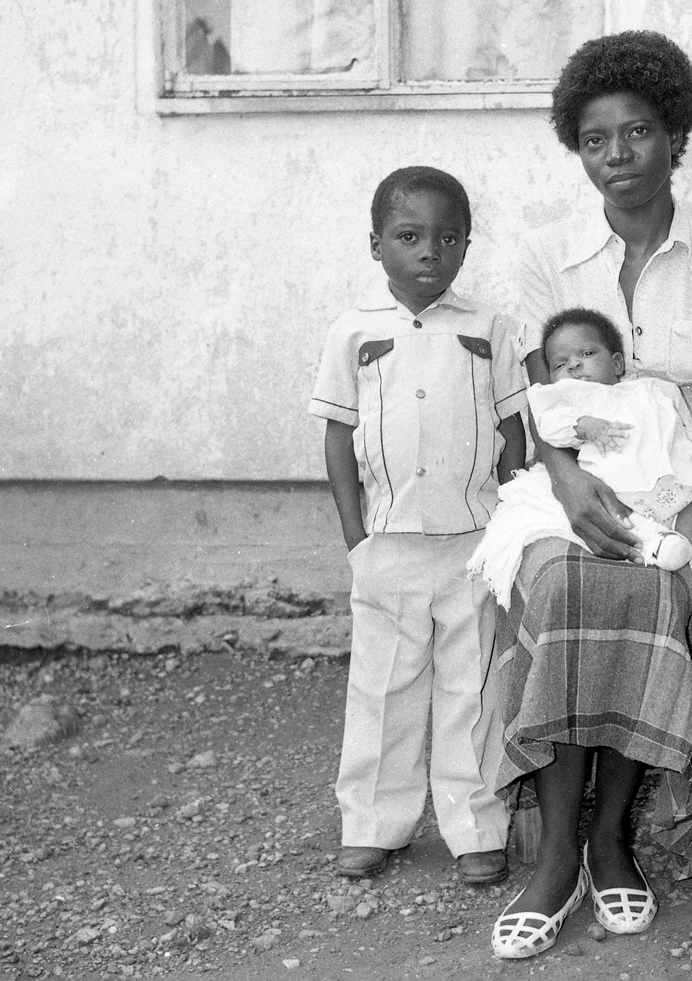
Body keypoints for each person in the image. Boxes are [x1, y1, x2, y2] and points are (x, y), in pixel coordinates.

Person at [488, 30, 692, 959]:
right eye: (596, 139)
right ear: (578, 149)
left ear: (675, 135)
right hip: (566, 491)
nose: (617, 154)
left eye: (638, 131)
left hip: (674, 495)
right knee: (570, 588)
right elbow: (543, 411)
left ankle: (611, 839)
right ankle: (556, 852)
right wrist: (570, 489)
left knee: (652, 595)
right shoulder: (546, 257)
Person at [307, 165, 529, 887]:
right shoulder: (354, 331)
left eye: (447, 236)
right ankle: (372, 824)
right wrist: (357, 538)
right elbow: (337, 437)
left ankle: (476, 827)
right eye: (409, 236)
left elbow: (513, 429)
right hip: (388, 540)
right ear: (377, 245)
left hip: (474, 541)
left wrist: (511, 521)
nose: (429, 250)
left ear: (466, 245)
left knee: (473, 688)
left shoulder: (489, 328)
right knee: (383, 688)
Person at [467, 306, 692, 636]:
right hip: (621, 493)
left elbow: (684, 430)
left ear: (617, 363)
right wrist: (583, 425)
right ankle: (655, 545)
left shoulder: (655, 390)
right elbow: (550, 426)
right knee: (620, 521)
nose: (574, 365)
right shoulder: (569, 401)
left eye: (586, 353)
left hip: (674, 485)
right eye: (560, 364)